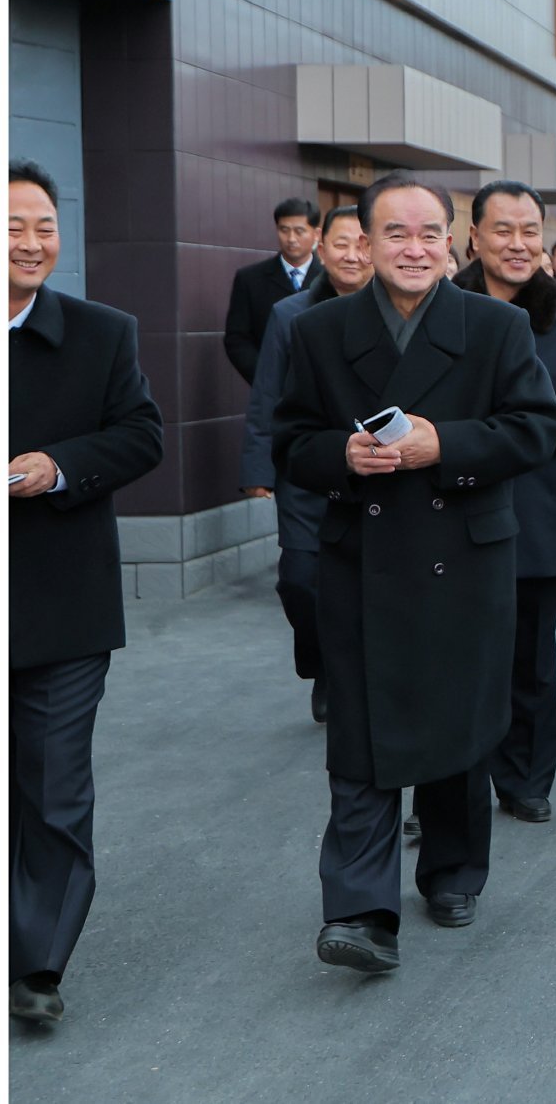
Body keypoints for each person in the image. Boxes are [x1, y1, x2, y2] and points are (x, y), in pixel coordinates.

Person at [272, 172, 556, 973]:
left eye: (429, 233)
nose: (413, 248)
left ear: (453, 242)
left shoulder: (497, 326)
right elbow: (290, 443)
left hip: (462, 555)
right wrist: (343, 455)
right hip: (359, 559)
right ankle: (361, 910)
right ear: (362, 243)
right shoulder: (320, 331)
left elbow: (538, 428)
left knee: (459, 722)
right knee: (362, 736)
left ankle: (453, 867)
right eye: (394, 233)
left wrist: (449, 445)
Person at [9, 161, 165, 1026]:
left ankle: (37, 963)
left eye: (43, 225)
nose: (32, 242)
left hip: (64, 603)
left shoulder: (103, 333)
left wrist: (60, 465)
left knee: (52, 786)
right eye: (13, 226)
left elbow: (141, 435)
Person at [454, 182, 556, 822]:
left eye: (529, 231)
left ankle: (524, 778)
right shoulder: (441, 308)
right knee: (451, 661)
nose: (517, 244)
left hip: (536, 512)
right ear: (475, 237)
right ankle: (446, 782)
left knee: (530, 661)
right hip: (448, 509)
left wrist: (513, 427)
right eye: (503, 230)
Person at [240, 206, 375, 723]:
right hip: (306, 472)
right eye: (341, 244)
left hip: (371, 473)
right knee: (299, 579)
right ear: (321, 249)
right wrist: (257, 468)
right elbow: (267, 393)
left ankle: (349, 675)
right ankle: (320, 663)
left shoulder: (394, 310)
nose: (352, 254)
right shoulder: (289, 314)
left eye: (362, 243)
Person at [224, 196, 322, 382]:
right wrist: (264, 376)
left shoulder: (330, 279)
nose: (291, 239)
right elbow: (237, 339)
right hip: (269, 386)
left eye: (299, 231)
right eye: (284, 230)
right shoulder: (250, 279)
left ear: (316, 234)